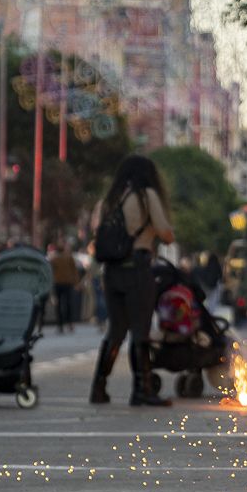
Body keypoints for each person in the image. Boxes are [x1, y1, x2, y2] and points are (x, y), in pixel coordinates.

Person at [89, 155, 176, 407]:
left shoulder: (110, 199)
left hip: (112, 271)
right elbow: (165, 233)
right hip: (137, 270)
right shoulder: (146, 196)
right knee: (140, 332)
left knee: (115, 332)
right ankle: (142, 389)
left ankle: (99, 387)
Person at [49, 240, 81, 333]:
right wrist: (76, 282)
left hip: (58, 283)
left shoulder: (53, 259)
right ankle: (70, 323)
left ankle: (60, 325)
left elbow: (50, 272)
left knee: (58, 305)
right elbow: (74, 271)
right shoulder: (68, 257)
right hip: (67, 283)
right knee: (68, 303)